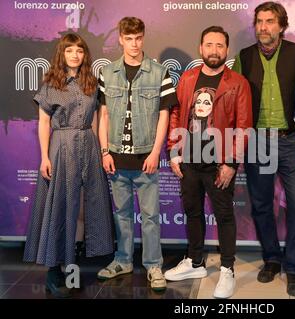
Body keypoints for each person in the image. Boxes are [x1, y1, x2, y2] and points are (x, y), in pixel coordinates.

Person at [23, 33, 114, 298]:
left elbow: (96, 120)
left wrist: (99, 150)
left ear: (85, 55)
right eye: (70, 50)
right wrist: (44, 157)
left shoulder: (91, 83)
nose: (75, 55)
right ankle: (53, 271)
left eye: (79, 51)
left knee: (83, 209)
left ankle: (72, 268)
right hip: (61, 146)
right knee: (60, 206)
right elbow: (42, 123)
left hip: (88, 145)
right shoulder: (51, 84)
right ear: (61, 54)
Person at [165, 26, 252, 299]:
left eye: (219, 45)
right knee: (192, 211)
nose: (214, 50)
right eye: (209, 45)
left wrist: (231, 163)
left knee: (225, 215)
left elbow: (243, 125)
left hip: (219, 162)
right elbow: (178, 113)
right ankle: (195, 262)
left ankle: (227, 268)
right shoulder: (188, 78)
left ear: (227, 50)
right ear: (201, 48)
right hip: (190, 159)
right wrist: (174, 151)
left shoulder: (237, 82)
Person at [232, 1, 295, 296]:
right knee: (262, 205)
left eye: (269, 21)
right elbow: (237, 100)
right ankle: (271, 259)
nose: (263, 27)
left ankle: (293, 268)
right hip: (258, 141)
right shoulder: (244, 57)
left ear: (281, 26)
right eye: (259, 21)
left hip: (291, 140)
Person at [96, 17, 178, 291]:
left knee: (151, 215)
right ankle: (123, 260)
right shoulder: (107, 73)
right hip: (117, 157)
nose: (134, 44)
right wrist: (105, 151)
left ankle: (154, 265)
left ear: (143, 38)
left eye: (138, 38)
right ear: (120, 38)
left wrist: (156, 152)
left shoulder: (158, 72)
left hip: (146, 159)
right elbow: (104, 115)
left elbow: (164, 114)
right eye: (129, 38)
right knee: (121, 213)